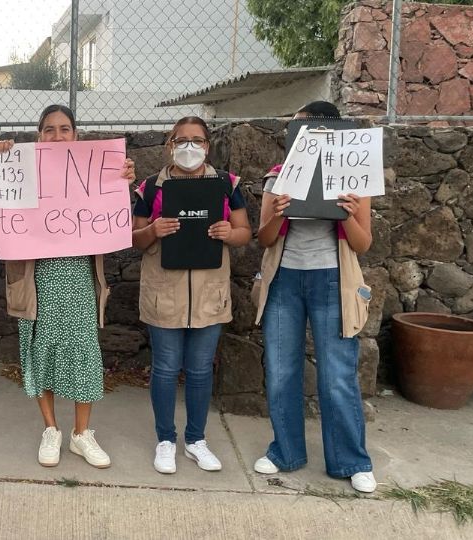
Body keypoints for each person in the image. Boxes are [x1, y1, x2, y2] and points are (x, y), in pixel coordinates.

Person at [0, 105, 136, 469]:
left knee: (82, 350)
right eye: (49, 130)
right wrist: (3, 158)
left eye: (65, 129)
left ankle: (81, 434)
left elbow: (114, 215)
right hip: (36, 281)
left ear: (76, 135)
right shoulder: (21, 171)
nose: (57, 136)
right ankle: (52, 429)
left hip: (80, 279)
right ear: (39, 136)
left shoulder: (92, 172)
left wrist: (120, 180)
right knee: (42, 351)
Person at [252, 100, 376, 493]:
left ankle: (351, 461)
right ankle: (284, 451)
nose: (296, 137)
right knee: (281, 370)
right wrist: (279, 214)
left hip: (332, 281)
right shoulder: (277, 179)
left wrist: (348, 214)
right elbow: (264, 239)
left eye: (302, 128)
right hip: (284, 281)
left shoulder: (353, 178)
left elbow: (363, 243)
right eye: (293, 131)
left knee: (337, 375)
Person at [131, 116, 251, 475]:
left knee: (200, 371)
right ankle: (165, 439)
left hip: (208, 295)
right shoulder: (150, 188)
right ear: (169, 144)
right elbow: (134, 239)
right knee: (165, 369)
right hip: (164, 293)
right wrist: (153, 230)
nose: (189, 146)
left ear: (208, 145)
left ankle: (196, 439)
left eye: (197, 140)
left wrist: (230, 233)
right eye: (181, 140)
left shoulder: (227, 186)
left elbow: (246, 231)